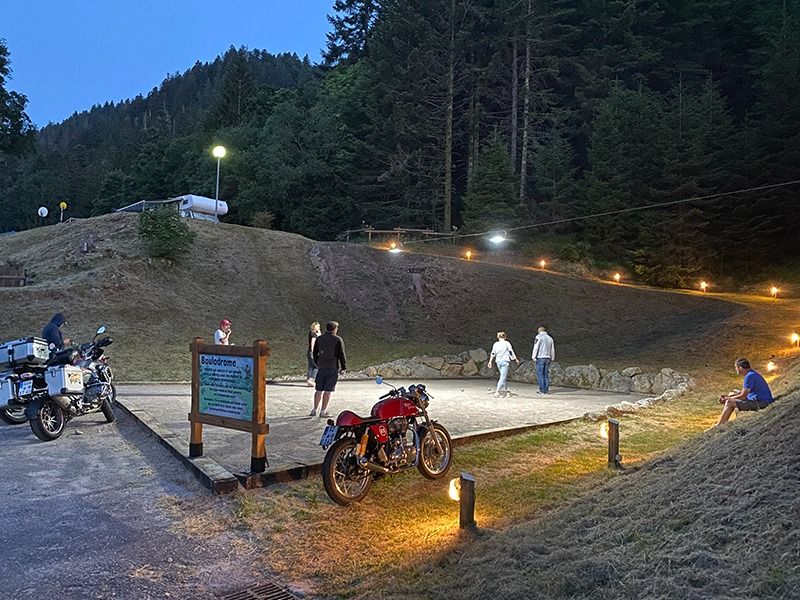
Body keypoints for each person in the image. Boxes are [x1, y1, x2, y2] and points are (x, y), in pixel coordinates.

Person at [714, 358, 774, 426]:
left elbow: (743, 396)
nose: (735, 369)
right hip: (761, 400)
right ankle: (723, 422)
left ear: (740, 367)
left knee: (729, 402)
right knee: (732, 394)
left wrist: (727, 399)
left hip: (762, 403)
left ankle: (719, 425)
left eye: (736, 367)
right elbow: (743, 392)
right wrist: (728, 396)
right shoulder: (751, 373)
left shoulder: (749, 377)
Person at [310, 321, 346, 418]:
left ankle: (314, 409)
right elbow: (341, 354)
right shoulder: (337, 339)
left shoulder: (319, 339)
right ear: (335, 329)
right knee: (328, 390)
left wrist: (317, 363)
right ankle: (323, 411)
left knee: (318, 389)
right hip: (332, 367)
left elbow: (315, 353)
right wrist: (344, 367)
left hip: (322, 367)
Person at [487, 331, 519, 398]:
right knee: (503, 377)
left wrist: (490, 361)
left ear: (498, 337)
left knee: (503, 376)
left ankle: (505, 391)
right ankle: (497, 391)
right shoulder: (507, 343)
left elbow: (493, 353)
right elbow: (511, 351)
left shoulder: (496, 344)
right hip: (505, 361)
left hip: (498, 361)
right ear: (505, 336)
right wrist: (515, 358)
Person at [532, 326, 555, 394]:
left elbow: (536, 347)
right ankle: (546, 390)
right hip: (548, 357)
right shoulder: (550, 338)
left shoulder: (538, 337)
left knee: (540, 374)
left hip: (540, 357)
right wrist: (552, 357)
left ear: (539, 331)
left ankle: (542, 389)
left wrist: (533, 356)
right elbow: (552, 349)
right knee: (545, 374)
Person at [306, 321, 321, 386]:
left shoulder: (311, 333)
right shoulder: (314, 334)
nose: (319, 328)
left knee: (311, 367)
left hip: (309, 352)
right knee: (317, 366)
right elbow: (313, 343)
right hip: (313, 352)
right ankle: (312, 379)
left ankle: (309, 381)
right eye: (318, 326)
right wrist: (313, 352)